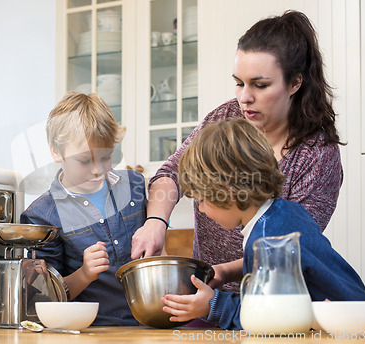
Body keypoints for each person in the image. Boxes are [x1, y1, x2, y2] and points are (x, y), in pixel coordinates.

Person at [131, 10, 344, 293]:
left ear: (295, 82)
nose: (245, 98)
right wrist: (156, 221)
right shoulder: (225, 117)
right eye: (239, 82)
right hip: (207, 297)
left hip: (271, 302)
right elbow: (172, 172)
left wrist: (223, 273)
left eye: (260, 85)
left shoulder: (317, 156)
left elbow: (289, 249)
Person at [160, 118, 365, 330]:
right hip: (363, 313)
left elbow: (270, 319)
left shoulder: (268, 238)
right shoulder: (282, 214)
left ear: (227, 193)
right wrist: (228, 274)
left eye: (201, 198)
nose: (201, 209)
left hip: (350, 329)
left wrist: (213, 305)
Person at [20, 92, 146, 326]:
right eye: (85, 161)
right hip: (94, 331)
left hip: (151, 326)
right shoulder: (42, 216)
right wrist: (85, 273)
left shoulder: (135, 186)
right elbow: (44, 300)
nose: (97, 170)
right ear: (56, 152)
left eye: (106, 157)